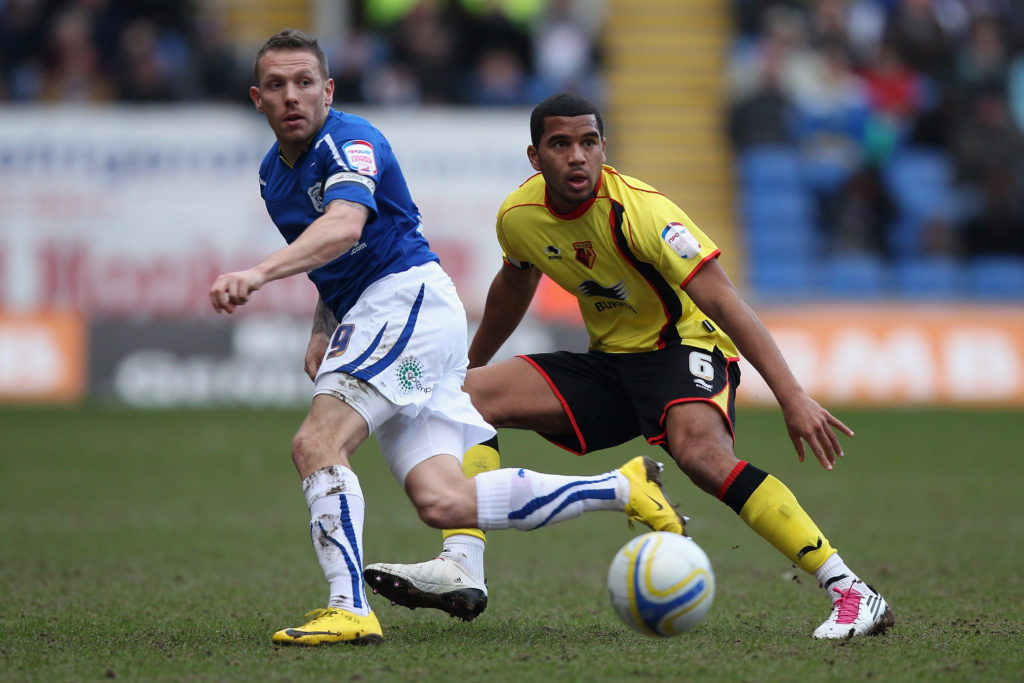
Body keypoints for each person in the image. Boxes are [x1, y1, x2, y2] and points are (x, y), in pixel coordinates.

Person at [209, 32, 684, 647]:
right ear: (256, 98)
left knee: (317, 442)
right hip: (394, 312)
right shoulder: (274, 173)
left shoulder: (350, 141)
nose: (291, 96)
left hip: (401, 301)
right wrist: (322, 325)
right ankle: (624, 488)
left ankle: (347, 607)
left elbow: (347, 225)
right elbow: (337, 253)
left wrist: (257, 273)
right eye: (276, 86)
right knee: (445, 502)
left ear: (328, 90)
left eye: (304, 83)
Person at [362, 92, 895, 640]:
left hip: (684, 348)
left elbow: (725, 301)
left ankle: (852, 590)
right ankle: (462, 565)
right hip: (612, 364)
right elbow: (513, 287)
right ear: (534, 156)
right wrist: (463, 369)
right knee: (466, 400)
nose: (577, 157)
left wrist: (791, 396)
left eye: (588, 143)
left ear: (603, 148)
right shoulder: (519, 217)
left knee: (704, 458)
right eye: (561, 144)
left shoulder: (641, 212)